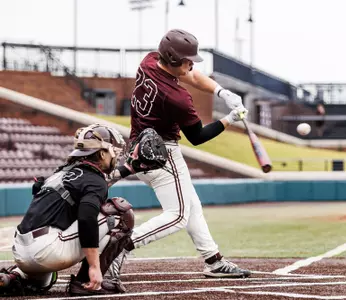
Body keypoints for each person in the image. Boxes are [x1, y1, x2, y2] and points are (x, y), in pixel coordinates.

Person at [107, 29, 252, 279]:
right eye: (187, 60)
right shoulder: (177, 98)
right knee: (179, 215)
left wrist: (222, 92)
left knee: (191, 205)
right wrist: (229, 119)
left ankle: (213, 259)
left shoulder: (150, 61)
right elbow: (198, 137)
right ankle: (119, 248)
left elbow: (193, 76)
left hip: (140, 146)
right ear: (174, 60)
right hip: (162, 155)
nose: (191, 64)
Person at [0, 124, 136, 296]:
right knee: (121, 212)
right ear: (102, 153)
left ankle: (15, 276)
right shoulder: (94, 180)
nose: (115, 156)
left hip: (22, 252)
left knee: (43, 282)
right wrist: (94, 266)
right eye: (112, 151)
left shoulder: (60, 173)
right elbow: (87, 218)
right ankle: (85, 280)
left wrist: (131, 168)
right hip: (46, 250)